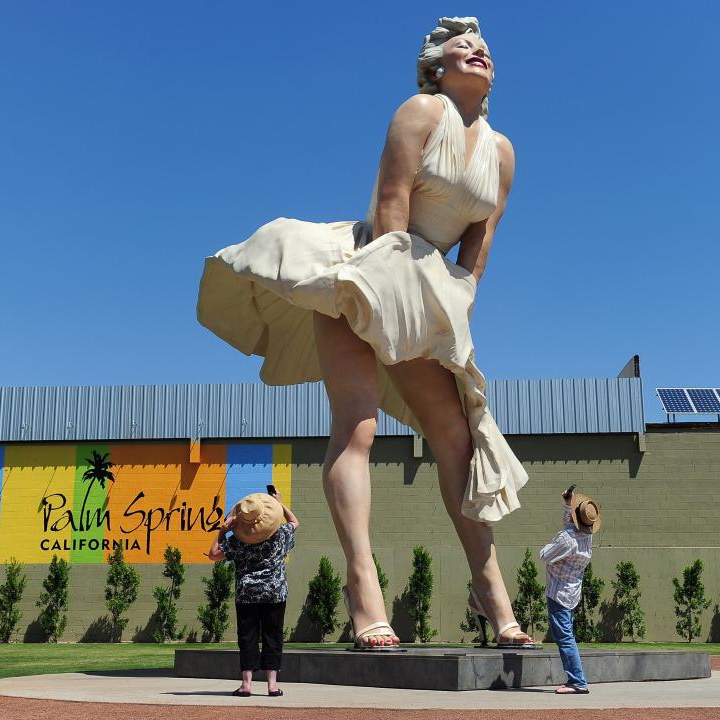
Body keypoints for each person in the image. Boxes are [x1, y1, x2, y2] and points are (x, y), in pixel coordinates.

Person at [197, 17, 533, 650]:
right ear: (437, 67)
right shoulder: (417, 112)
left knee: (457, 436)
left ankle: (491, 594)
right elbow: (390, 208)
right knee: (357, 424)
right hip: (364, 274)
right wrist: (392, 305)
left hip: (430, 291)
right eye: (463, 47)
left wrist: (448, 318)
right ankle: (363, 593)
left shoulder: (503, 152)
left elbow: (477, 249)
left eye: (484, 48)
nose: (479, 52)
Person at [207, 490, 299, 697]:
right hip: (275, 593)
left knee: (247, 637)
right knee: (273, 636)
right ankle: (272, 686)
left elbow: (213, 554)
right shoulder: (281, 536)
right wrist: (279, 503)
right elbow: (294, 522)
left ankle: (246, 684)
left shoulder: (239, 542)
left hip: (246, 594)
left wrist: (222, 532)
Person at [538, 486, 600, 695]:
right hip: (571, 592)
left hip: (558, 593)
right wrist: (567, 504)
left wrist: (551, 544)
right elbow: (571, 525)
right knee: (567, 635)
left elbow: (544, 555)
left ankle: (577, 681)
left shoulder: (567, 539)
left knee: (565, 637)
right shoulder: (585, 536)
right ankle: (576, 679)